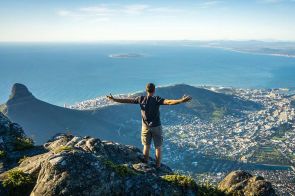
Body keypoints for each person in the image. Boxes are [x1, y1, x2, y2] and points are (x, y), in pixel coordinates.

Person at [106, 83, 192, 168]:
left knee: (146, 146)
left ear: (146, 90)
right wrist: (181, 100)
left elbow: (127, 100)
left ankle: (145, 163)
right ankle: (158, 166)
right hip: (156, 127)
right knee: (158, 147)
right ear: (154, 90)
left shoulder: (141, 99)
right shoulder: (157, 99)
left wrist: (114, 99)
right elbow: (169, 102)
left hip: (145, 127)